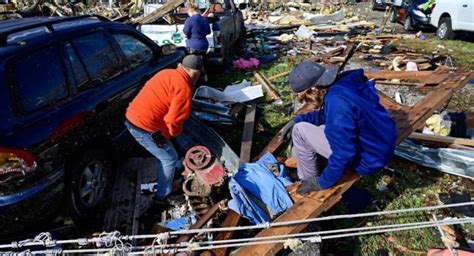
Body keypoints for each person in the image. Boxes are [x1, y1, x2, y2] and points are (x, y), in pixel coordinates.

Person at [288, 61, 397, 194]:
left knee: (299, 131)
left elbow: (343, 153)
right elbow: (327, 114)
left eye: (306, 97)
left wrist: (322, 182)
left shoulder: (336, 102)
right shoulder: (346, 81)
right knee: (314, 125)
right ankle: (318, 168)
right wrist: (298, 119)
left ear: (314, 89)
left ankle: (308, 180)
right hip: (381, 142)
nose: (307, 101)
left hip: (367, 160)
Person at [124, 55, 202, 201]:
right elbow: (172, 120)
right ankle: (163, 196)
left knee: (168, 147)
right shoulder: (184, 88)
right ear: (195, 73)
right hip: (144, 127)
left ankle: (178, 168)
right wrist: (173, 134)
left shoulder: (166, 73)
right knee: (168, 158)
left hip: (132, 116)